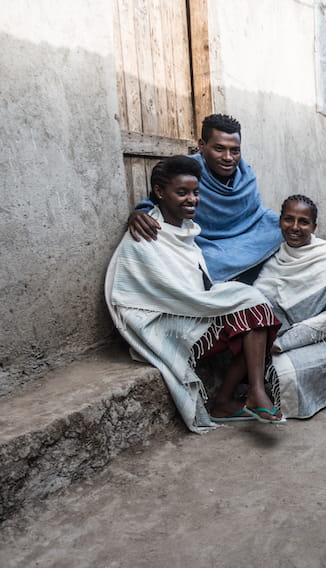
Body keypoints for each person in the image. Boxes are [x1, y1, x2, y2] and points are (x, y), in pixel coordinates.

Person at [106, 155, 285, 430]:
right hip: (163, 324)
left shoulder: (186, 230)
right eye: (182, 192)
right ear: (159, 192)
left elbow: (194, 288)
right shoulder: (145, 235)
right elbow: (149, 295)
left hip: (190, 311)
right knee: (251, 309)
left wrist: (212, 302)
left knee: (255, 313)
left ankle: (234, 399)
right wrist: (211, 304)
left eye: (196, 192)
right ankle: (246, 395)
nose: (192, 199)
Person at [127, 114, 283, 283]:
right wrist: (139, 213)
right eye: (219, 148)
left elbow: (257, 212)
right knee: (199, 262)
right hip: (206, 242)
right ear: (202, 145)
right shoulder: (186, 170)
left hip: (244, 235)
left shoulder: (246, 173)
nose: (228, 157)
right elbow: (157, 200)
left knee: (281, 227)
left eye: (235, 150)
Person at [253, 195, 326, 419]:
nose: (294, 227)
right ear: (279, 221)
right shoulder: (273, 257)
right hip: (275, 339)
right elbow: (262, 300)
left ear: (314, 226)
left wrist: (286, 342)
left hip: (323, 336)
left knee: (287, 373)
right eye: (288, 219)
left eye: (303, 222)